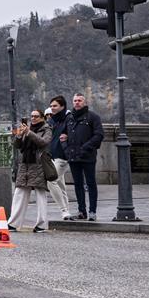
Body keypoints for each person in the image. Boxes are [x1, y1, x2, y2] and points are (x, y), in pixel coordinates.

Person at [9, 111, 53, 232]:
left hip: (38, 164)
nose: (33, 118)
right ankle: (13, 223)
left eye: (36, 116)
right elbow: (17, 146)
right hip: (25, 164)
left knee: (40, 194)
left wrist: (29, 133)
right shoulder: (27, 129)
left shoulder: (47, 129)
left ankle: (41, 224)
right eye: (32, 116)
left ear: (42, 118)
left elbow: (43, 142)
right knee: (19, 193)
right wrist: (19, 135)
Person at [63, 92, 104, 221]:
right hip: (73, 156)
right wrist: (66, 148)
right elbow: (63, 135)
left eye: (79, 100)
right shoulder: (69, 118)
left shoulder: (93, 117)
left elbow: (99, 135)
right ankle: (82, 211)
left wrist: (85, 147)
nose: (77, 103)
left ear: (85, 102)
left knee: (91, 183)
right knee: (78, 184)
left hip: (88, 155)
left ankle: (92, 211)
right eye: (75, 101)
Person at [44, 96, 74, 220]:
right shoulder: (51, 120)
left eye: (55, 106)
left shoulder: (69, 118)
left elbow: (74, 134)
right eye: (51, 106)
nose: (52, 108)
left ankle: (64, 211)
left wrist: (67, 140)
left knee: (51, 181)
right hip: (52, 155)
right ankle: (67, 212)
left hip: (62, 156)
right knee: (60, 185)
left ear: (62, 106)